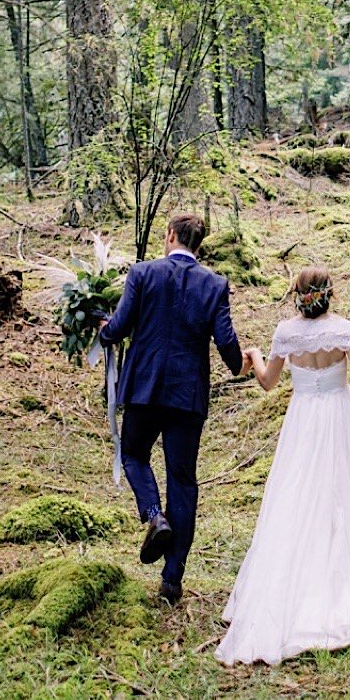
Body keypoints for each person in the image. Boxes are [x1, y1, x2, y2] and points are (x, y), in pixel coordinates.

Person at [216, 265, 350, 666]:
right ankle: (349, 565)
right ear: (330, 293)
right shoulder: (345, 329)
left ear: (296, 294)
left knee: (297, 492)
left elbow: (267, 383)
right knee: (347, 488)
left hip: (303, 420)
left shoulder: (286, 333)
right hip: (339, 412)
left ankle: (298, 574)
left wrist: (257, 357)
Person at [99, 213, 240, 606]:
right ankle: (172, 579)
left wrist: (103, 330)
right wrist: (239, 364)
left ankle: (154, 515)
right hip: (187, 395)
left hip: (144, 388)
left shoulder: (142, 273)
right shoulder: (215, 284)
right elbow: (226, 338)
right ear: (199, 245)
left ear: (171, 236)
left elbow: (121, 325)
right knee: (183, 479)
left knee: (132, 454)